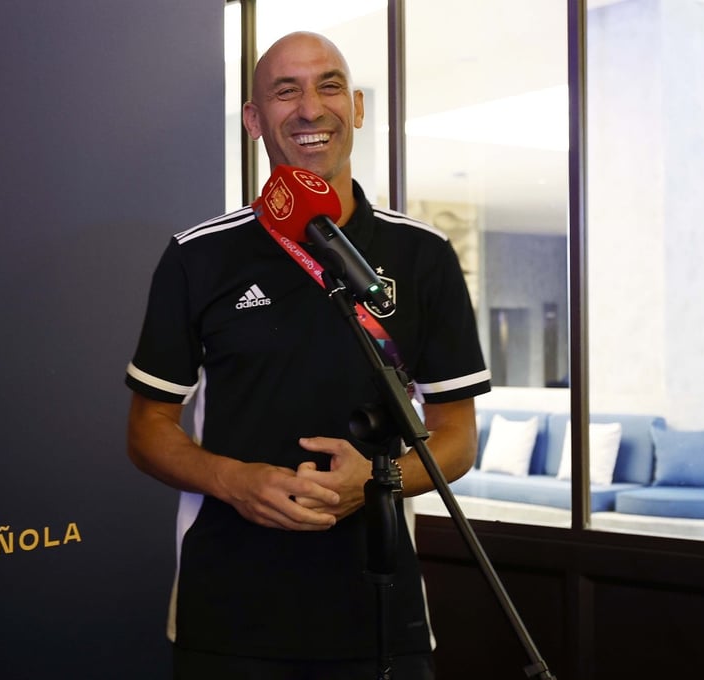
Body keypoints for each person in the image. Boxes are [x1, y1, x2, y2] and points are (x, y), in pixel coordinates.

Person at [124, 31, 491, 679]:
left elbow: (456, 436)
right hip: (228, 612)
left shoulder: (424, 255)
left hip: (380, 615)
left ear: (357, 107)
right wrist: (236, 482)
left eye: (329, 86)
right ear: (253, 119)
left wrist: (376, 481)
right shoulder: (198, 255)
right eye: (285, 91)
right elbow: (147, 429)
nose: (310, 108)